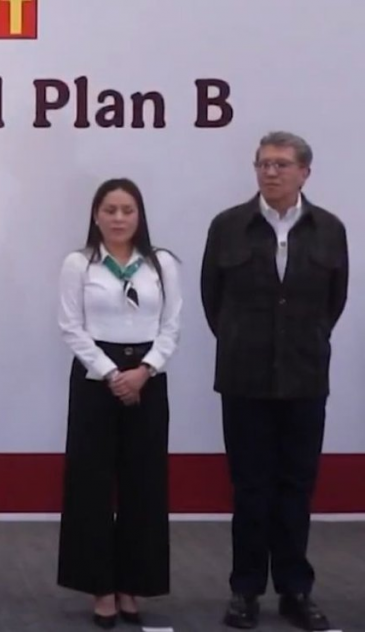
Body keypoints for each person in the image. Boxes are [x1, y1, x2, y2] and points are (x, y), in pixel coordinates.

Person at [200, 131, 347, 631]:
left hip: (305, 378)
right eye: (263, 163)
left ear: (305, 172)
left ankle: (295, 589)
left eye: (282, 164)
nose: (270, 172)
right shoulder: (228, 227)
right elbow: (213, 301)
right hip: (245, 379)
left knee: (296, 487)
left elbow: (333, 302)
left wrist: (301, 342)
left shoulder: (329, 230)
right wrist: (246, 342)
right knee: (250, 488)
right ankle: (245, 591)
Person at [56, 178, 181, 628]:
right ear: (96, 216)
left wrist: (144, 369)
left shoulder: (161, 263)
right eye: (110, 210)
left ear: (139, 215)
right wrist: (111, 373)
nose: (119, 218)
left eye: (127, 210)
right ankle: (101, 588)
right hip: (96, 381)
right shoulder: (79, 263)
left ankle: (132, 584)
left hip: (148, 380)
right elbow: (71, 327)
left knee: (143, 485)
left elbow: (171, 325)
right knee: (90, 485)